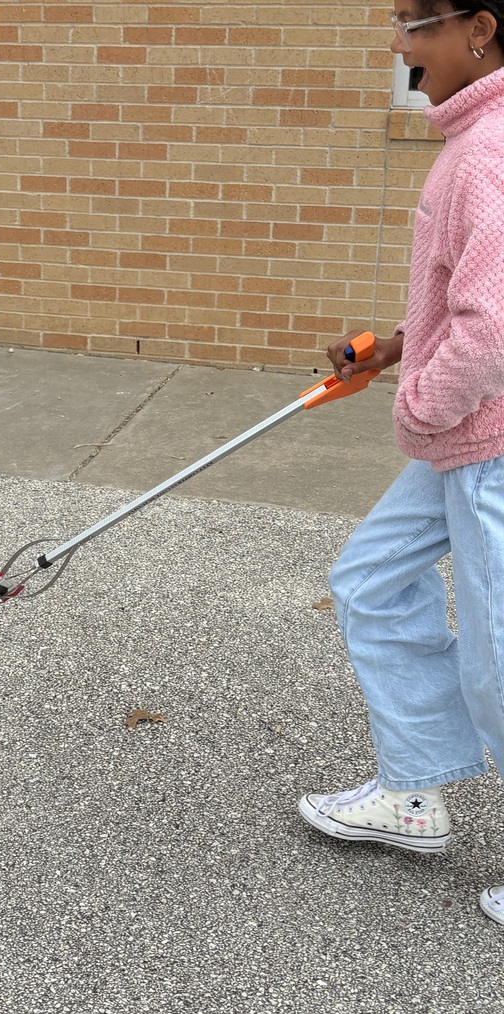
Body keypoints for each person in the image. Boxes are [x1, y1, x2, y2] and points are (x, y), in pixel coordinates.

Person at [297, 1, 504, 926]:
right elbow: (468, 297)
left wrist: (419, 404)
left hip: (485, 441)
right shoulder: (475, 139)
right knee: (372, 580)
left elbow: (492, 329)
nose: (398, 45)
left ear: (479, 29)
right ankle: (415, 791)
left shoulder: (492, 150)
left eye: (414, 24)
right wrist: (396, 348)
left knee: (497, 661)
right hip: (465, 432)